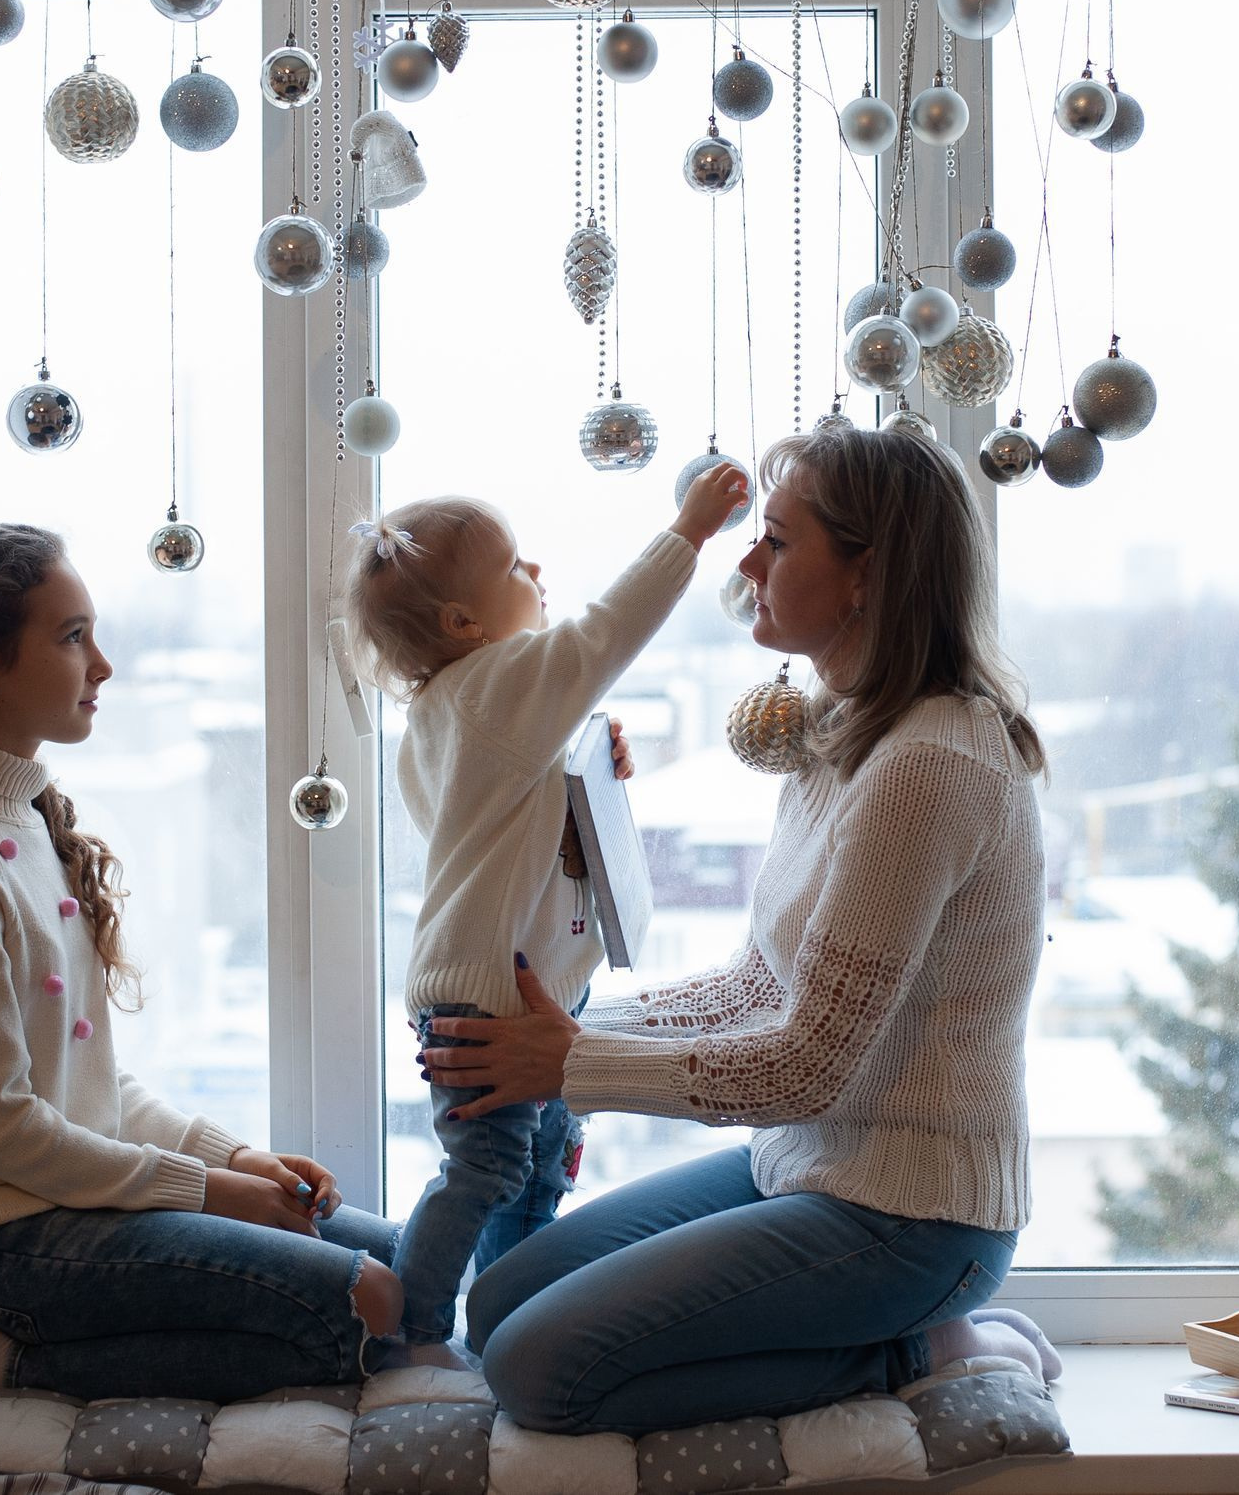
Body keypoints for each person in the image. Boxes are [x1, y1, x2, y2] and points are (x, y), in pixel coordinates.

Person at [418, 426, 1049, 1434]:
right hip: (803, 1165)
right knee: (494, 1311)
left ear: (864, 577)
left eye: (777, 541)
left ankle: (912, 1350)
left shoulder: (927, 766)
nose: (747, 564)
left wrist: (576, 1066)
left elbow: (808, 1067)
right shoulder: (841, 732)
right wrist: (563, 1037)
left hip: (911, 1220)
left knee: (539, 1373)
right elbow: (759, 987)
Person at [0, 524, 404, 1400]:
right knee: (371, 1302)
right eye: (71, 636)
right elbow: (2, 1127)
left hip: (62, 1200)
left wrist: (237, 1158)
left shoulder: (23, 820)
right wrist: (210, 1194)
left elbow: (96, 1090)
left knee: (407, 1264)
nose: (103, 664)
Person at [342, 466, 752, 1363]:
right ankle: (409, 1330)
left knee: (531, 1168)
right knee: (488, 1169)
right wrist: (688, 529)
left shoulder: (446, 712)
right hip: (491, 997)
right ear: (464, 624)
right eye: (516, 565)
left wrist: (583, 767)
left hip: (499, 994)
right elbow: (606, 635)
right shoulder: (500, 684)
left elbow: (494, 832)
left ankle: (509, 1315)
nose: (539, 569)